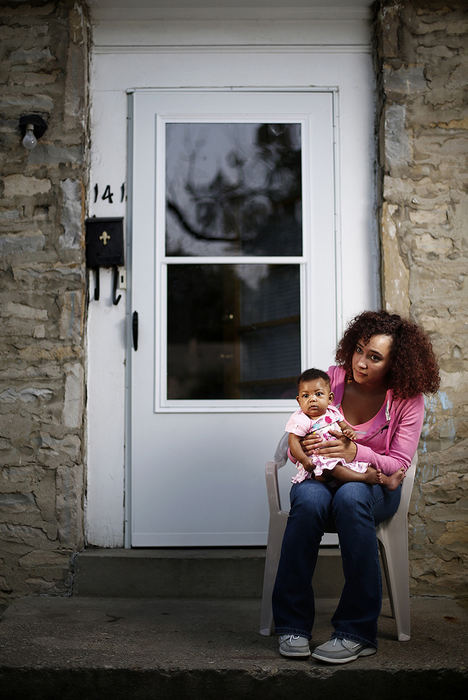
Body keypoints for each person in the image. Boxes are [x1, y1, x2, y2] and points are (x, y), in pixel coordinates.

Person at [273, 310, 440, 663]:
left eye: (374, 357)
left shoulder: (408, 399)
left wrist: (356, 451)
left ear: (397, 363)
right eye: (359, 350)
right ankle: (291, 624)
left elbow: (399, 464)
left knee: (351, 497)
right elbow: (300, 428)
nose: (360, 362)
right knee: (307, 498)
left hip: (373, 490)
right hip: (322, 477)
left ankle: (355, 632)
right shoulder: (331, 380)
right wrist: (308, 458)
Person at [286, 368, 405, 490]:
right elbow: (293, 441)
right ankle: (363, 478)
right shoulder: (301, 419)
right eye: (306, 396)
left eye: (318, 394)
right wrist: (304, 459)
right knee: (334, 468)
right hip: (320, 463)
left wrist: (349, 432)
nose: (312, 399)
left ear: (330, 398)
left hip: (340, 456)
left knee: (362, 466)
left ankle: (388, 482)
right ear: (299, 401)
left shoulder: (332, 412)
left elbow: (344, 426)